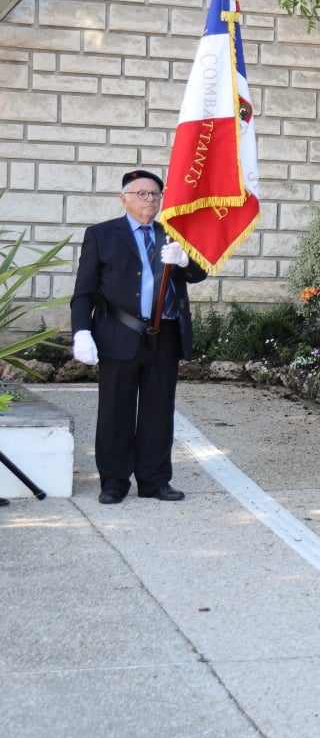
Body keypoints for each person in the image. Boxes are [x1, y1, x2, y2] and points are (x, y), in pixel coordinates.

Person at [70, 168, 209, 504]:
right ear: (125, 198)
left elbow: (199, 272)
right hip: (120, 331)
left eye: (155, 194)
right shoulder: (102, 235)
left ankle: (154, 480)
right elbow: (84, 291)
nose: (150, 199)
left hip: (165, 334)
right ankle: (114, 481)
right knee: (115, 411)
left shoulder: (172, 233)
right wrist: (81, 332)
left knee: (158, 410)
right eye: (142, 193)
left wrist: (184, 260)